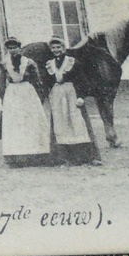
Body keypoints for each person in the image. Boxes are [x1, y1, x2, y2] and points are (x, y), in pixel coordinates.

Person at [43, 37, 101, 165]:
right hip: (57, 95)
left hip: (72, 94)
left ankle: (87, 157)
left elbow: (82, 80)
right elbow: (47, 82)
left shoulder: (72, 62)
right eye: (53, 48)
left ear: (64, 48)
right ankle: (63, 158)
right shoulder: (50, 64)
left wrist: (81, 96)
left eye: (59, 47)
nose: (56, 50)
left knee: (78, 123)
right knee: (60, 124)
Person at [0, 37, 52, 167]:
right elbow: (1, 82)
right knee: (15, 122)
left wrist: (39, 95)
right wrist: (2, 96)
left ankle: (36, 154)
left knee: (30, 120)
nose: (13, 50)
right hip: (12, 93)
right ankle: (16, 156)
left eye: (15, 47)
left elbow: (37, 79)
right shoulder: (4, 64)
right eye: (10, 48)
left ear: (19, 48)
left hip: (27, 92)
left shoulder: (29, 62)